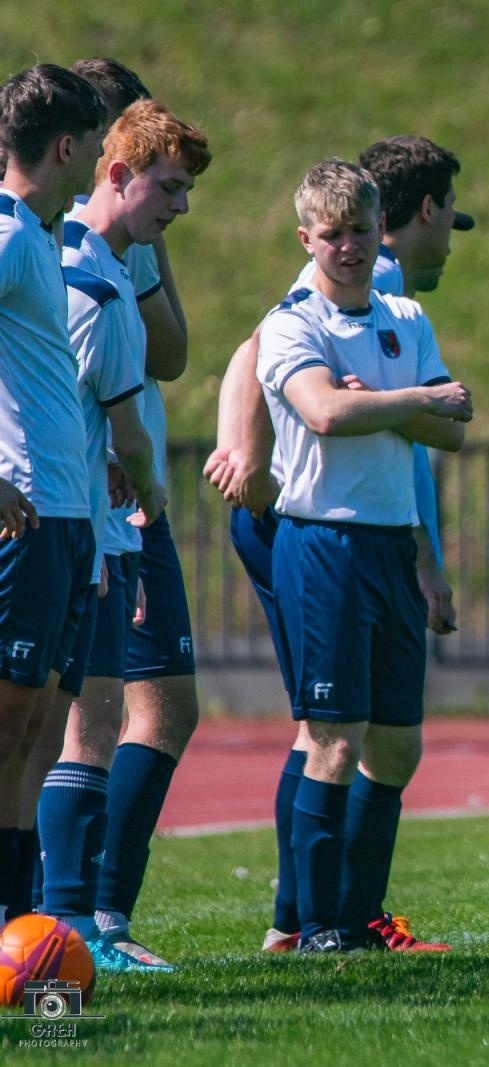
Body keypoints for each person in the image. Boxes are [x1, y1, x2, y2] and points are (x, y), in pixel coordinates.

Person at [206, 135, 473, 952]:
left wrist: (386, 400)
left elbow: (452, 431)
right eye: (332, 235)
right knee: (331, 736)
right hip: (323, 543)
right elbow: (325, 412)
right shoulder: (295, 322)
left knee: (397, 745)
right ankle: (311, 923)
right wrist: (410, 399)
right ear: (307, 242)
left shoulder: (403, 314)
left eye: (359, 229)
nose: (349, 247)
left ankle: (357, 918)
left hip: (393, 545)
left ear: (375, 226)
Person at [41, 99, 207, 972]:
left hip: (79, 513)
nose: (177, 210)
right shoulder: (92, 279)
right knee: (83, 722)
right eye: (169, 189)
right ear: (115, 172)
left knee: (59, 722)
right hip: (86, 523)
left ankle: (63, 924)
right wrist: (136, 497)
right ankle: (69, 926)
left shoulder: (72, 255)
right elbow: (118, 427)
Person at [0, 64, 106, 924]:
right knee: (7, 733)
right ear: (67, 146)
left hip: (68, 520)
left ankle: (23, 932)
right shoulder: (4, 235)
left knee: (34, 738)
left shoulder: (39, 233)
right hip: (26, 518)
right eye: (96, 145)